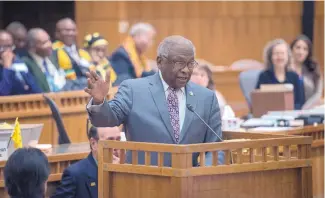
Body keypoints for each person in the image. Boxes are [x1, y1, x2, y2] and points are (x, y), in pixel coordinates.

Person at [86, 35, 224, 166]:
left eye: (190, 64)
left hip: (191, 184)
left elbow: (216, 148)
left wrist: (201, 173)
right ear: (160, 62)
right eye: (179, 63)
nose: (186, 70)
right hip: (143, 182)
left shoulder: (206, 97)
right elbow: (105, 120)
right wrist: (99, 102)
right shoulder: (134, 90)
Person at [51, 126, 120, 198]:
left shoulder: (127, 171)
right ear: (93, 144)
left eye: (118, 140)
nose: (115, 147)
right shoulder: (75, 175)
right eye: (110, 140)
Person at [256, 39, 305, 110]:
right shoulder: (264, 76)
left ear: (288, 56)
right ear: (270, 57)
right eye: (276, 53)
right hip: (268, 117)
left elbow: (300, 102)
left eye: (282, 53)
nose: (279, 57)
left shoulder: (294, 76)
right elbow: (257, 101)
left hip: (291, 116)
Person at [22, 28, 66, 92]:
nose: (50, 45)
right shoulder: (26, 63)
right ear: (32, 47)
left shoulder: (54, 57)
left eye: (49, 40)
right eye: (44, 43)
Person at [0, 30, 41, 96]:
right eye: (3, 47)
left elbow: (35, 89)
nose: (8, 50)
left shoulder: (18, 63)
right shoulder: (7, 65)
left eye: (10, 46)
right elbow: (3, 92)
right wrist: (7, 67)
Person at [290, 35, 323, 109]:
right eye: (298, 48)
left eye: (305, 49)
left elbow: (318, 93)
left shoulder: (313, 69)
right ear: (292, 49)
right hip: (288, 112)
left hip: (309, 111)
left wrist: (304, 109)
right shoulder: (286, 69)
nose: (301, 52)